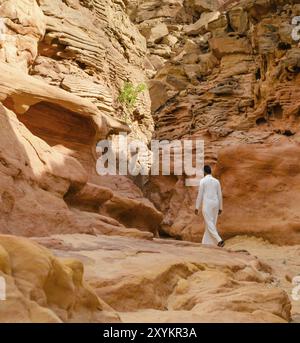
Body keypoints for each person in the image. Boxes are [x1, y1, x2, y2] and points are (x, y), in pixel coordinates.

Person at [195, 165, 225, 247]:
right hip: (216, 204)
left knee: (209, 223)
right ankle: (206, 244)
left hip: (207, 204)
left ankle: (219, 240)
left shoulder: (203, 181)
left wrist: (197, 207)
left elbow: (200, 195)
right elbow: (219, 194)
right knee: (211, 224)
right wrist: (220, 207)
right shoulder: (216, 181)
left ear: (204, 172)